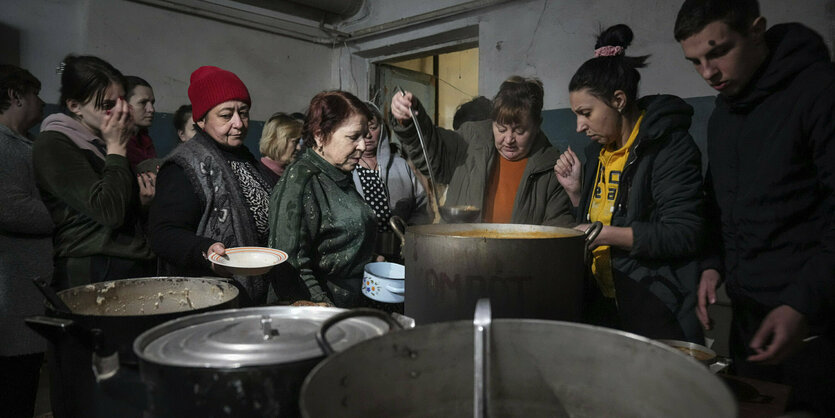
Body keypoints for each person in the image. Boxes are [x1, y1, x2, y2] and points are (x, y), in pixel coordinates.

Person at [675, 0, 835, 414]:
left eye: (718, 52)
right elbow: (720, 203)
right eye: (694, 61)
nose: (708, 73)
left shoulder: (818, 92)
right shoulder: (723, 115)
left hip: (815, 322)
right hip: (750, 319)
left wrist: (803, 302)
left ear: (757, 30)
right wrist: (713, 264)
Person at [554, 24, 705, 343]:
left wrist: (602, 234)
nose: (579, 127)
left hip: (655, 307)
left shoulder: (668, 147)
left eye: (585, 113)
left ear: (619, 100)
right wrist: (577, 193)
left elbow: (685, 232)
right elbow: (611, 212)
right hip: (607, 303)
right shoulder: (598, 153)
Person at [148, 66, 274, 305]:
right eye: (226, 115)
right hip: (209, 296)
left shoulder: (246, 159)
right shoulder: (184, 167)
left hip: (256, 293)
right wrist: (205, 251)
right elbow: (162, 234)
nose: (239, 123)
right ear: (201, 119)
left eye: (244, 113)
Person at [33, 55, 155, 290]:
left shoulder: (102, 141)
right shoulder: (54, 143)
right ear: (74, 106)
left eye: (121, 101)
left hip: (128, 261)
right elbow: (109, 212)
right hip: (93, 267)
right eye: (107, 106)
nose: (119, 112)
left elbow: (116, 204)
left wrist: (141, 203)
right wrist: (117, 148)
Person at [391, 76, 573, 226]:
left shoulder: (551, 168)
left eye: (519, 131)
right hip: (458, 260)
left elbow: (556, 233)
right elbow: (431, 151)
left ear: (537, 125)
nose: (509, 139)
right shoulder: (470, 140)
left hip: (517, 265)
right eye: (501, 129)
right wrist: (408, 121)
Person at [269, 91, 376, 308]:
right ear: (320, 135)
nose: (363, 146)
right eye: (353, 136)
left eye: (364, 136)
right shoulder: (302, 182)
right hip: (322, 312)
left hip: (350, 304)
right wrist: (326, 312)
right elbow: (292, 266)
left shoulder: (337, 174)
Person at [0, 64, 50, 418]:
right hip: (10, 293)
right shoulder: (3, 145)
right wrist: (69, 212)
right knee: (12, 391)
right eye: (34, 93)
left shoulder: (24, 145)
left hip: (25, 293)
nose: (42, 102)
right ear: (15, 96)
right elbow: (10, 208)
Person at [353, 101, 430, 232]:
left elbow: (423, 206)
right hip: (362, 249)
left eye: (373, 127)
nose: (368, 135)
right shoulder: (348, 168)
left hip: (401, 245)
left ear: (382, 129)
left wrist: (409, 231)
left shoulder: (400, 165)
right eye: (362, 129)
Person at [257, 112, 302, 188]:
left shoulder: (292, 174)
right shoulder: (257, 174)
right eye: (295, 142)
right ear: (277, 141)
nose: (298, 148)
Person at [124, 76, 158, 170]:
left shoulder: (145, 139)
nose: (151, 109)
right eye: (143, 102)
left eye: (152, 103)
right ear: (123, 105)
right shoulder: (118, 143)